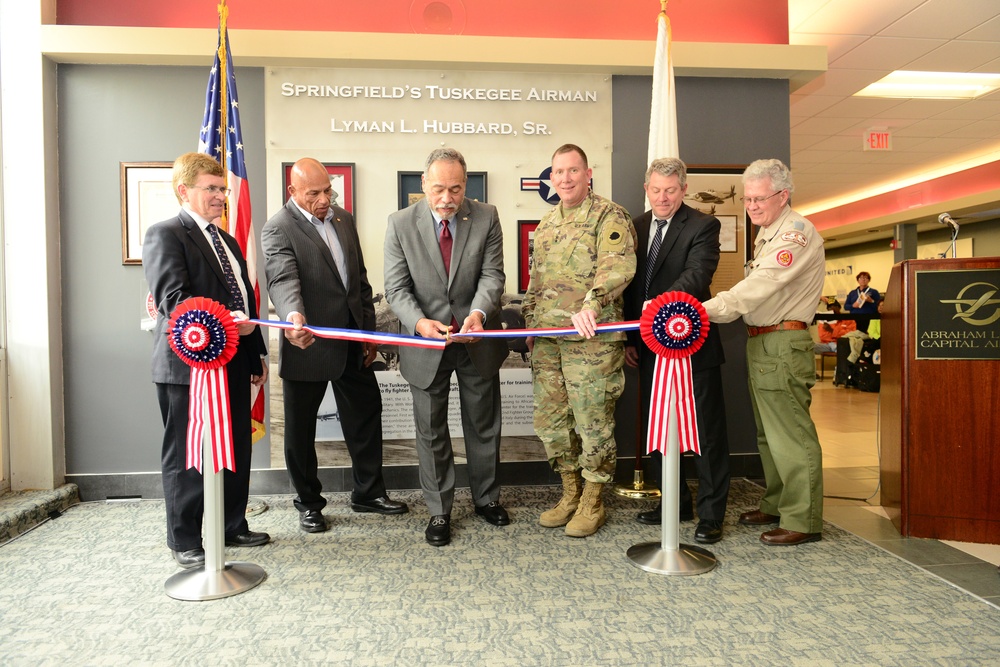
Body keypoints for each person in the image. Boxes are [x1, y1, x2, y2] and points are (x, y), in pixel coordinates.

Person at [261, 158, 408, 534]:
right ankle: (309, 504)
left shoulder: (343, 219)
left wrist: (369, 334)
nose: (325, 199)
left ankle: (368, 493)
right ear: (292, 192)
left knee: (365, 417)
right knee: (300, 431)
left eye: (328, 190)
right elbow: (282, 279)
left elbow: (358, 280)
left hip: (351, 340)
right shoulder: (278, 228)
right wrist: (293, 316)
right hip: (307, 342)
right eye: (315, 193)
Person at [143, 152, 270, 569]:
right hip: (189, 369)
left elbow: (244, 302)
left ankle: (231, 524)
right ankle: (184, 539)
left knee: (235, 446)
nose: (221, 196)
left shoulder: (228, 240)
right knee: (187, 454)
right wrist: (230, 324)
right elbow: (174, 301)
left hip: (233, 362)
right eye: (211, 189)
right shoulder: (166, 235)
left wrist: (255, 355)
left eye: (223, 189)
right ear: (184, 190)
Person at [383, 147, 510, 547]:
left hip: (475, 339)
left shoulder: (486, 216)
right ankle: (439, 510)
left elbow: (493, 276)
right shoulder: (400, 223)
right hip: (426, 344)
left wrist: (480, 313)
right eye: (439, 188)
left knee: (483, 425)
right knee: (431, 430)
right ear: (424, 184)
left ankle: (486, 498)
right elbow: (396, 288)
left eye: (455, 189)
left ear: (465, 185)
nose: (447, 198)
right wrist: (420, 323)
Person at [701, 158, 826, 547]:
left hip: (783, 342)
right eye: (748, 200)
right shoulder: (769, 232)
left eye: (759, 199)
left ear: (783, 195)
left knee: (790, 433)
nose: (752, 206)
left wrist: (700, 310)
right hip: (762, 339)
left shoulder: (796, 234)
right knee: (768, 436)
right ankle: (776, 503)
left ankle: (802, 519)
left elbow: (758, 287)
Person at [523, 144, 637, 538]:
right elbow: (536, 283)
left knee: (593, 422)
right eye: (559, 172)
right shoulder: (547, 224)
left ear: (588, 174)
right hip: (549, 342)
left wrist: (592, 303)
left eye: (574, 171)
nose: (566, 178)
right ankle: (569, 492)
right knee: (553, 423)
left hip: (592, 341)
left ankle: (593, 500)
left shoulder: (609, 215)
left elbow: (617, 267)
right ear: (550, 178)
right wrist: (530, 328)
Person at [623, 157, 730, 545]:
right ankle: (676, 502)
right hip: (649, 348)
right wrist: (632, 340)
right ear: (646, 189)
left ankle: (712, 514)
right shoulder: (634, 227)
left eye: (670, 190)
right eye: (656, 190)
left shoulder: (703, 225)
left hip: (691, 347)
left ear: (683, 189)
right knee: (659, 429)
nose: (663, 197)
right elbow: (629, 288)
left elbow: (698, 276)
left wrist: (659, 307)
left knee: (705, 434)